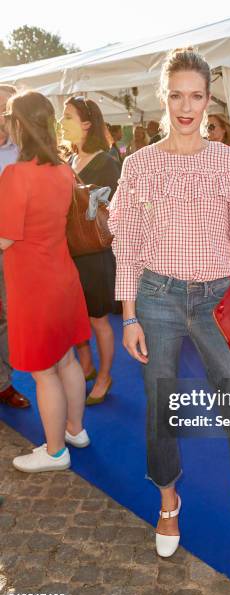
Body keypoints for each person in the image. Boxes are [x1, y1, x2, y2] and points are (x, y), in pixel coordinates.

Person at [109, 47, 230, 579]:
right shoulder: (138, 164)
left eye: (197, 96)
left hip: (215, 299)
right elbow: (129, 247)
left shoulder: (229, 161)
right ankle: (167, 502)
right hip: (156, 298)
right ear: (164, 97)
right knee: (159, 409)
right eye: (177, 95)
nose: (187, 107)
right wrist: (131, 316)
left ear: (209, 100)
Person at [0, 91, 91, 472]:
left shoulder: (16, 175)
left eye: (8, 118)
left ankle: (55, 451)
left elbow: (4, 238)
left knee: (43, 371)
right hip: (62, 276)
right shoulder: (64, 170)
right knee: (67, 359)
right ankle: (75, 430)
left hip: (33, 285)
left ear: (19, 124)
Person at [61, 96, 120, 405]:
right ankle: (85, 364)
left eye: (67, 116)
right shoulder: (68, 161)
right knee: (76, 316)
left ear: (86, 124)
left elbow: (102, 210)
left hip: (95, 253)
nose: (61, 122)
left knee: (98, 319)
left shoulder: (107, 162)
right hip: (68, 251)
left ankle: (105, 376)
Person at [0, 84, 30, 409]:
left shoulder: (24, 152)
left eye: (8, 109)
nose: (4, 116)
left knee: (9, 315)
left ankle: (3, 383)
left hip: (14, 247)